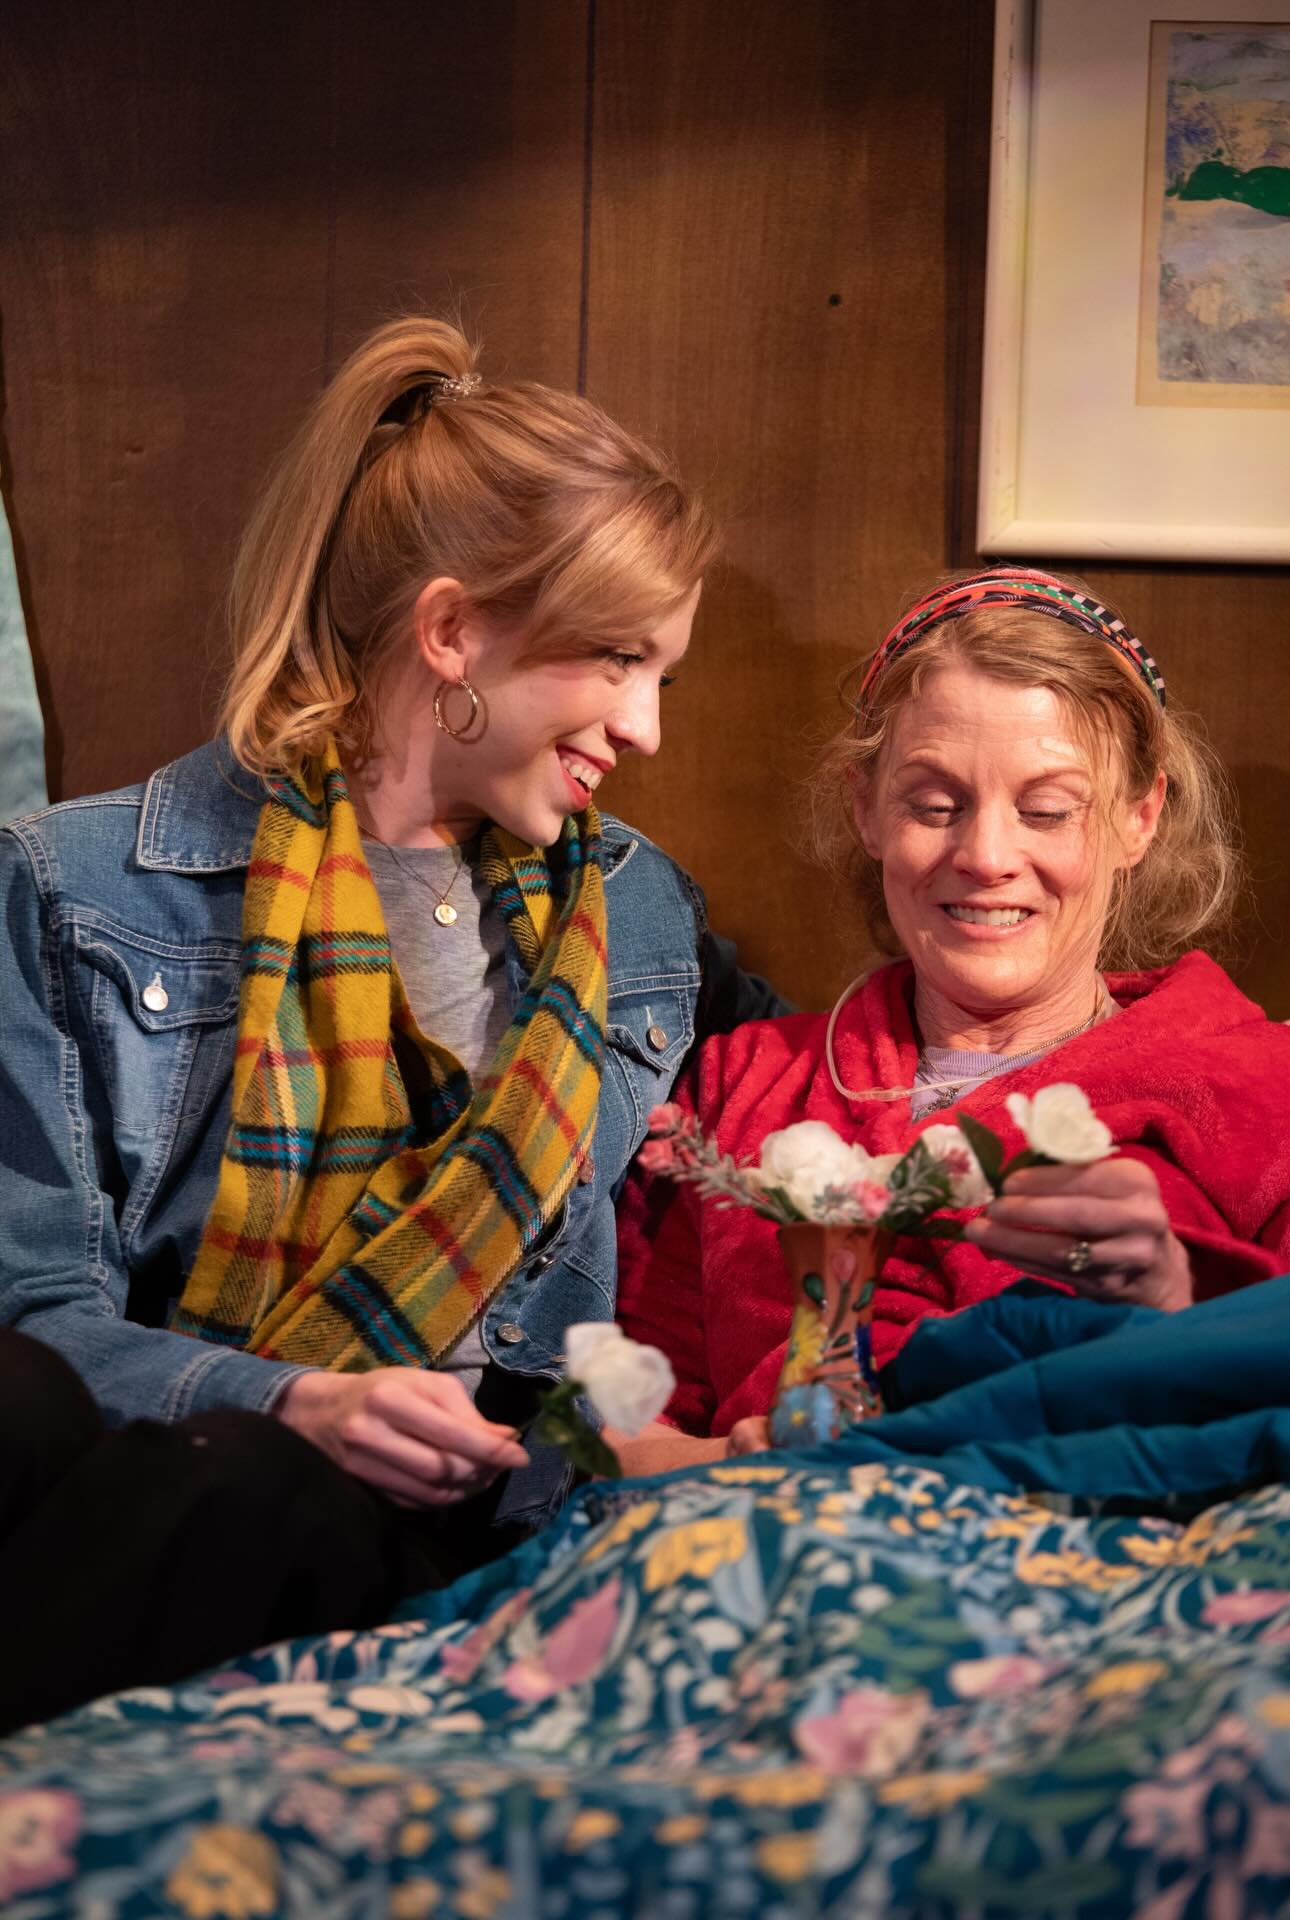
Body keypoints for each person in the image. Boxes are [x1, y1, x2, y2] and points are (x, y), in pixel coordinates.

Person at [0, 316, 786, 1727]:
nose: (648, 725)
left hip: (450, 1518)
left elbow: (851, 1093)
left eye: (661, 671)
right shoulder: (73, 890)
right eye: (615, 660)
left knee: (250, 1489)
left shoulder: (640, 916)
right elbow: (29, 1311)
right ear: (449, 633)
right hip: (131, 1467)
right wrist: (293, 1399)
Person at [614, 567, 1290, 1459]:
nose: (987, 855)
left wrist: (1181, 1293)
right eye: (935, 805)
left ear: (1139, 817)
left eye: (1047, 810)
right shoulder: (744, 1084)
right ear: (866, 809)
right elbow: (622, 1410)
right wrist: (736, 1463)